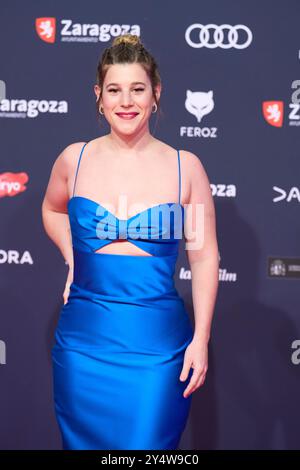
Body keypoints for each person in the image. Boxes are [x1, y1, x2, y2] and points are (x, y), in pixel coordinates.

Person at [41, 33, 219, 450]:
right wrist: (72, 258)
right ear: (98, 96)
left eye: (137, 89)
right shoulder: (75, 159)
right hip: (83, 346)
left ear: (155, 93)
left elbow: (205, 256)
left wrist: (201, 339)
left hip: (156, 350)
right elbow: (51, 211)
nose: (126, 101)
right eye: (114, 90)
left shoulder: (184, 167)